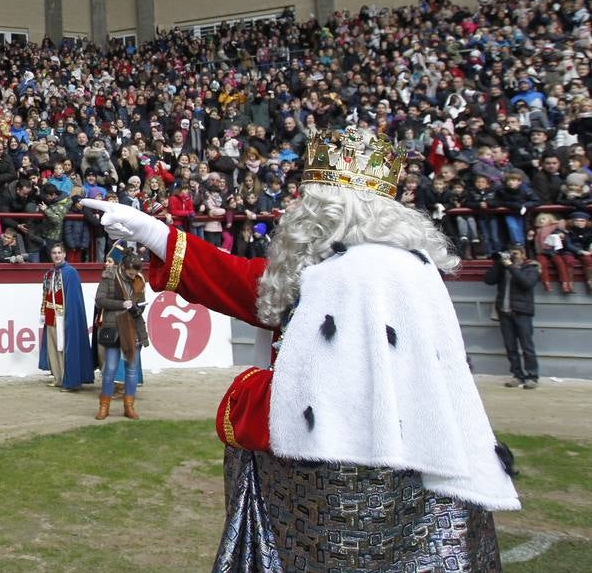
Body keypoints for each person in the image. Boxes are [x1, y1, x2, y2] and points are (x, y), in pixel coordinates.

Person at [84, 127, 517, 570]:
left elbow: (319, 394)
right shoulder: (368, 267)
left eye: (309, 200)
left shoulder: (351, 274)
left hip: (339, 488)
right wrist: (154, 232)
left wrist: (246, 395)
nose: (296, 208)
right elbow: (243, 280)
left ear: (331, 210)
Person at [94, 250, 148, 420]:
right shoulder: (109, 277)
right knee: (109, 369)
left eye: (136, 274)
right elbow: (100, 300)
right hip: (114, 327)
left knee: (131, 371)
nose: (133, 277)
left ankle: (129, 407)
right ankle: (104, 407)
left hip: (133, 326)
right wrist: (121, 304)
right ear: (123, 267)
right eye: (131, 273)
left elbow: (141, 304)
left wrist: (136, 307)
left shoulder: (139, 280)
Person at [38, 242, 93, 391]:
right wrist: (43, 313)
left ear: (64, 254)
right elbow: (45, 295)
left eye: (59, 253)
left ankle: (70, 380)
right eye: (54, 253)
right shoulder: (49, 274)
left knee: (65, 348)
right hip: (50, 317)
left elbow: (74, 300)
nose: (56, 255)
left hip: (64, 317)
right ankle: (59, 378)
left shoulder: (70, 272)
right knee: (53, 348)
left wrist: (69, 317)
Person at [486, 246, 540, 389]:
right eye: (510, 253)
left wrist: (511, 266)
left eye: (515, 253)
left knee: (527, 347)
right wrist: (498, 263)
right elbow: (488, 280)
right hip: (505, 313)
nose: (512, 256)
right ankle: (517, 376)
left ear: (523, 255)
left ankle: (532, 376)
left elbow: (526, 283)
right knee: (511, 347)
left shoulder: (531, 269)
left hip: (522, 313)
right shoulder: (503, 269)